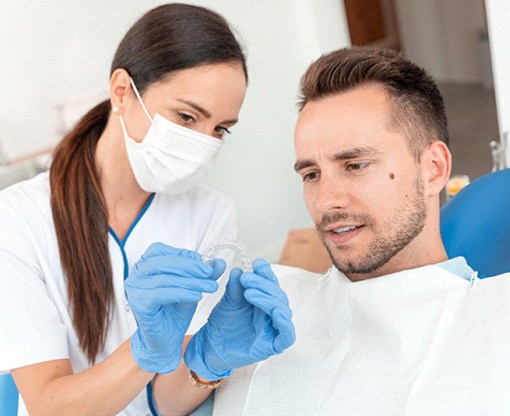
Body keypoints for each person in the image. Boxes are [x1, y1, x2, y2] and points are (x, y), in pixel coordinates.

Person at [0, 4, 294, 416]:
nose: (203, 143)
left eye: (220, 129)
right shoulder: (17, 220)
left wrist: (211, 360)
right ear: (122, 91)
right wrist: (143, 352)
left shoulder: (209, 213)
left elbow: (165, 403)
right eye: (187, 116)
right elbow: (49, 405)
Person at [210, 47, 510, 415]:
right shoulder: (271, 311)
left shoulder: (496, 324)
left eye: (355, 165)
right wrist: (199, 366)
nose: (325, 201)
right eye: (311, 174)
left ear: (433, 169)